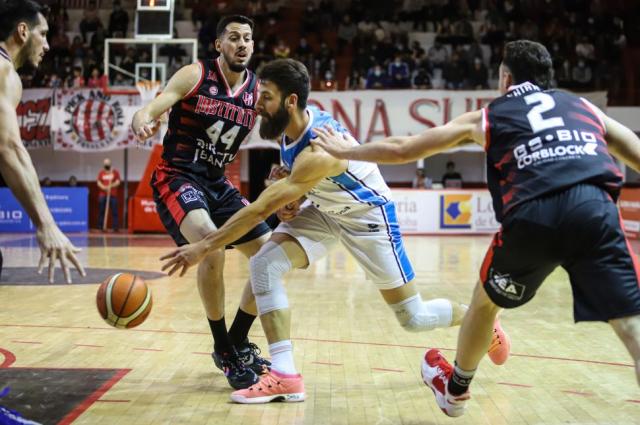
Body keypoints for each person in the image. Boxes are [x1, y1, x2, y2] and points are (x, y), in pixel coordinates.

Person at [310, 40, 640, 417]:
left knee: (485, 305)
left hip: (534, 213)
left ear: (505, 78)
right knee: (632, 328)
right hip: (595, 208)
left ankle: (455, 392)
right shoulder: (584, 107)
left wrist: (344, 150)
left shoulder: (490, 114)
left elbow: (404, 149)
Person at [159, 58, 511, 404]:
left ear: (290, 101)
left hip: (367, 217)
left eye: (265, 96)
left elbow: (262, 208)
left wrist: (204, 245)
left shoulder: (318, 149)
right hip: (327, 212)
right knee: (265, 264)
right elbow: (293, 191)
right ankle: (285, 375)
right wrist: (294, 197)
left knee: (413, 317)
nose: (257, 104)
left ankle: (481, 324)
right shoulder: (289, 130)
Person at [131, 15, 272, 390]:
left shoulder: (258, 92)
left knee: (271, 255)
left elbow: (287, 129)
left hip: (218, 183)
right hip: (177, 176)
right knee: (211, 244)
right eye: (234, 38)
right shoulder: (195, 74)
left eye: (248, 39)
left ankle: (239, 338)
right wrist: (142, 119)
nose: (242, 44)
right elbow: (154, 106)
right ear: (219, 45)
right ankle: (223, 348)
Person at [0, 0, 85, 285]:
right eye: (43, 34)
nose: (48, 45)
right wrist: (46, 224)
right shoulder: (3, 70)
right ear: (23, 31)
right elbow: (9, 148)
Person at [96, 158, 120, 232]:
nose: (106, 165)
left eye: (108, 163)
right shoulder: (101, 173)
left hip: (112, 194)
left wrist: (111, 186)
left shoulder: (115, 172)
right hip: (103, 194)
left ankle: (115, 227)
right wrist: (104, 188)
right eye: (105, 163)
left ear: (110, 164)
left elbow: (118, 182)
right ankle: (100, 227)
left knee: (114, 211)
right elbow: (98, 182)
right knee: (101, 210)